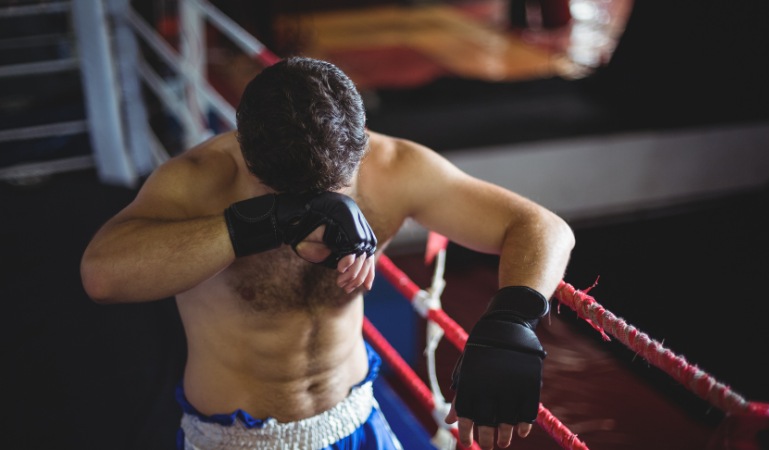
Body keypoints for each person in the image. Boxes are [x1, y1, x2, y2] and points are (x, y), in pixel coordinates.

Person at [80, 56, 575, 450]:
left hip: (358, 418)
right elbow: (102, 274)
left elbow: (541, 226)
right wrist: (256, 224)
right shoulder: (200, 180)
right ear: (245, 151)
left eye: (328, 193)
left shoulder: (391, 168)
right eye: (288, 196)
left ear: (357, 150)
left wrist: (512, 317)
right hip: (237, 441)